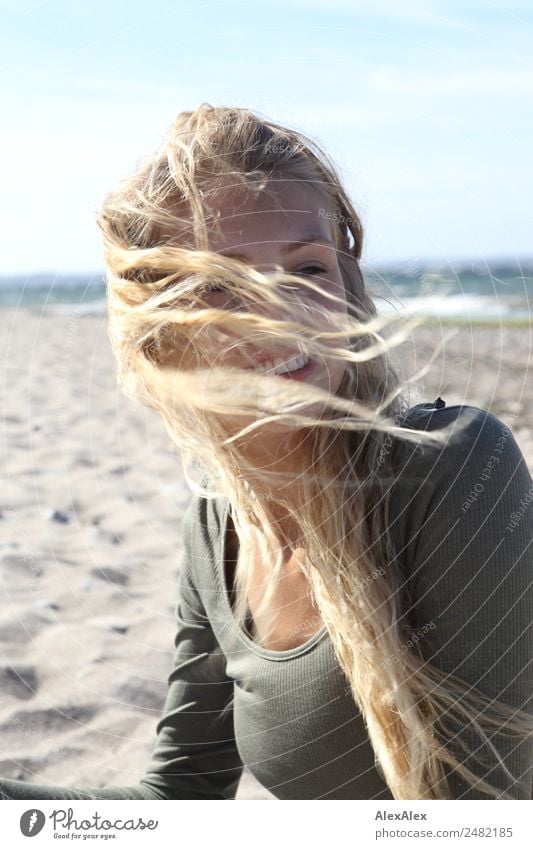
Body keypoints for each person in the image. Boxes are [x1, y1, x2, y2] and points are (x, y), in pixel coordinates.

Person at [1, 104, 532, 801]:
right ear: (160, 333)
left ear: (347, 289)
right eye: (221, 284)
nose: (280, 311)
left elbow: (489, 816)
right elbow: (181, 793)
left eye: (307, 267)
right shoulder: (215, 530)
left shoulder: (451, 467)